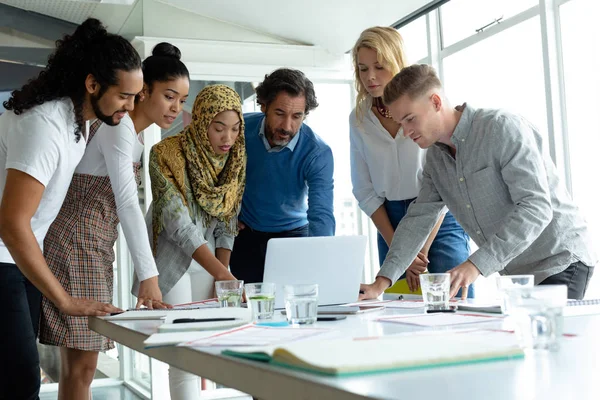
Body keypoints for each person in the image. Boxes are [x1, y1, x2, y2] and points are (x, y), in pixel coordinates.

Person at [360, 64, 597, 301]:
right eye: (402, 123)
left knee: (544, 336)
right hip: (517, 274)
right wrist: (380, 284)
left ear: (435, 102)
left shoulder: (501, 128)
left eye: (410, 119)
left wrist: (475, 265)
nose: (406, 131)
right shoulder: (435, 159)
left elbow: (536, 207)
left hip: (559, 260)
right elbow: (418, 219)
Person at [37, 42, 189, 400]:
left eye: (182, 100)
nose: (175, 108)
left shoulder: (131, 133)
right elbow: (127, 204)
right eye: (169, 96)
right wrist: (149, 277)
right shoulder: (117, 131)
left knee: (80, 367)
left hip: (95, 245)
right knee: (81, 366)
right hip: (77, 244)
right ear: (144, 90)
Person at [0, 18, 141, 400]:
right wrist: (64, 299)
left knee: (15, 382)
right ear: (92, 84)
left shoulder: (76, 121)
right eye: (125, 96)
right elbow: (12, 224)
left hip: (19, 261)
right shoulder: (45, 124)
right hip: (3, 258)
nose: (131, 106)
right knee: (18, 384)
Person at [139, 84, 246, 399]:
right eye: (219, 128)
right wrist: (223, 274)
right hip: (171, 259)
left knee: (206, 345)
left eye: (235, 129)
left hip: (210, 260)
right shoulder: (165, 153)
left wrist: (221, 274)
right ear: (201, 122)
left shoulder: (235, 158)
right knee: (182, 350)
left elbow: (228, 219)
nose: (228, 138)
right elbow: (178, 225)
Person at [350, 27, 471, 296]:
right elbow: (364, 189)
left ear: (397, 63)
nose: (370, 76)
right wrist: (398, 246)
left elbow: (443, 181)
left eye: (379, 67)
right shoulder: (358, 119)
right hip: (390, 223)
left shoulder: (426, 108)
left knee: (454, 305)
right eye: (362, 68)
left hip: (441, 217)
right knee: (399, 309)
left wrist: (421, 247)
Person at [230, 68, 335, 283]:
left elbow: (321, 214)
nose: (287, 126)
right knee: (248, 309)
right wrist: (227, 214)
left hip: (293, 236)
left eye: (297, 116)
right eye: (279, 114)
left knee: (292, 305)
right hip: (244, 235)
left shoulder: (317, 152)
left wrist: (322, 262)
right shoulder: (238, 130)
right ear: (263, 105)